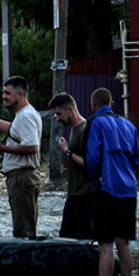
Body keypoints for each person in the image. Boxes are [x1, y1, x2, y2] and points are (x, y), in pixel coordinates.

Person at [84, 87, 139, 276]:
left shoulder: (95, 123)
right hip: (129, 189)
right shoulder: (129, 125)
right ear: (112, 103)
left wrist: (94, 180)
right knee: (123, 244)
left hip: (107, 188)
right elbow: (137, 161)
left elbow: (93, 159)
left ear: (93, 104)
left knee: (106, 245)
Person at [0, 76, 42, 238]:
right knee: (22, 227)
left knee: (23, 231)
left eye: (7, 93)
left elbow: (32, 147)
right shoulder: (24, 114)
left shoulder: (26, 116)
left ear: (20, 94)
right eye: (3, 93)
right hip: (21, 179)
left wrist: (2, 148)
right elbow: (12, 130)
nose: (4, 97)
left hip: (22, 178)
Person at [49, 92, 94, 240]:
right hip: (74, 193)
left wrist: (67, 151)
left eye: (58, 114)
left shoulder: (85, 129)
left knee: (85, 238)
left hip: (85, 195)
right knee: (65, 237)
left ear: (69, 109)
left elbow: (89, 163)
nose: (57, 118)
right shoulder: (74, 129)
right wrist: (69, 161)